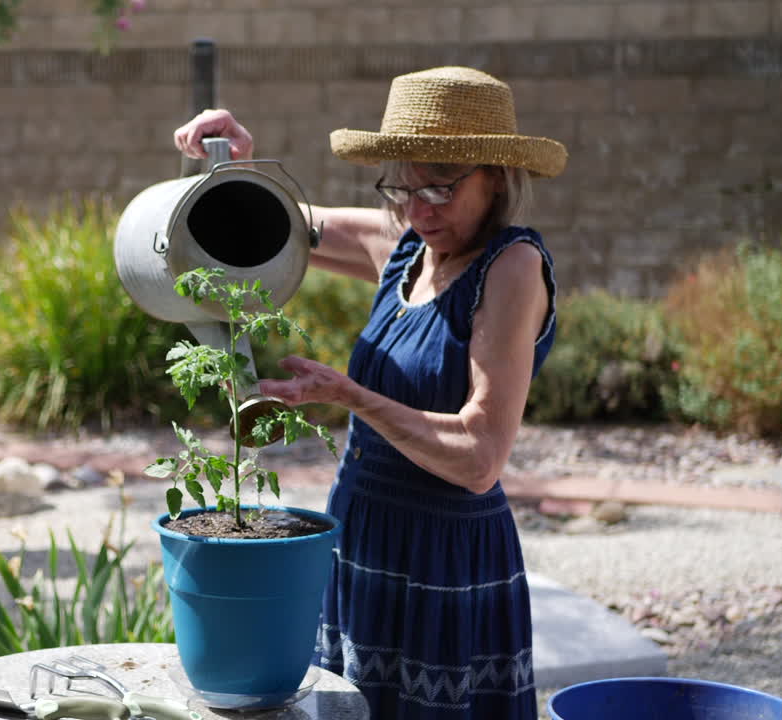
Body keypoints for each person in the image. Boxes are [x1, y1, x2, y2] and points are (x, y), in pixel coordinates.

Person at [173, 66, 568, 719]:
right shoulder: (405, 247)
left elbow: (479, 458)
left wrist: (351, 396)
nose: (419, 210)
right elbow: (275, 220)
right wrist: (234, 165)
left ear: (495, 175)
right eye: (402, 188)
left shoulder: (512, 268)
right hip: (363, 537)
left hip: (445, 560)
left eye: (440, 188)